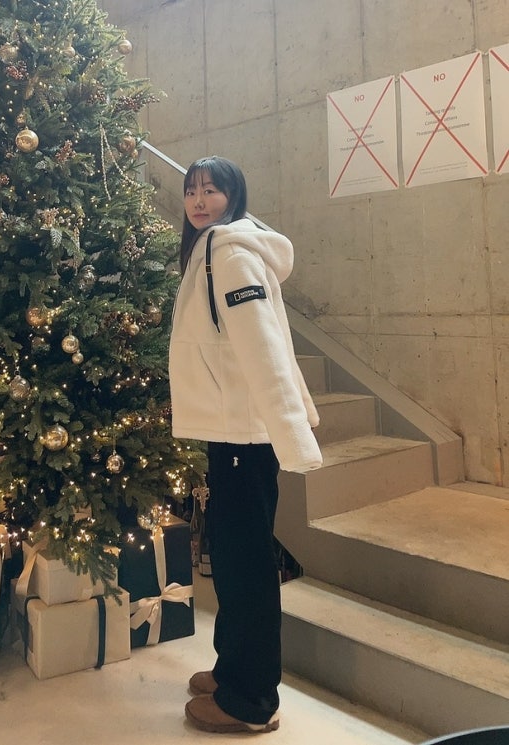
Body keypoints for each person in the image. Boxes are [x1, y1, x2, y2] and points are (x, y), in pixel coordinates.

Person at [169, 156, 323, 734]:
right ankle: (231, 669)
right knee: (233, 561)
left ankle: (252, 700)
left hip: (245, 435)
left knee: (247, 565)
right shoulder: (212, 250)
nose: (198, 200)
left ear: (234, 196)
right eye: (191, 190)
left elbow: (264, 347)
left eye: (211, 190)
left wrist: (292, 433)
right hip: (229, 430)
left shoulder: (230, 254)